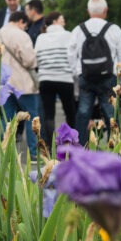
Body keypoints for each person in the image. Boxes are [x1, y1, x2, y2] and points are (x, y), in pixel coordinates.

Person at [69, 0, 121, 144]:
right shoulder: (113, 29)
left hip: (86, 76)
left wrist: (76, 74)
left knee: (83, 112)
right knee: (110, 112)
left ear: (88, 11)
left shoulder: (78, 29)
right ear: (105, 10)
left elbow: (71, 53)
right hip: (108, 77)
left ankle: (80, 147)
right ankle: (116, 147)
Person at [0, 10, 39, 159]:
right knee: (32, 117)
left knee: (7, 119)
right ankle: (34, 152)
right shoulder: (22, 35)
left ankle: (6, 152)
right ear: (21, 21)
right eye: (25, 26)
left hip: (3, 82)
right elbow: (30, 60)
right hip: (22, 83)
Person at [34, 11, 77, 147]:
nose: (64, 21)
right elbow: (73, 56)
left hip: (46, 79)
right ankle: (71, 140)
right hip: (65, 78)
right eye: (62, 19)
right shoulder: (69, 36)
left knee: (48, 114)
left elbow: (37, 58)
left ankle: (49, 143)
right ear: (55, 21)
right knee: (70, 111)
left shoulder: (41, 38)